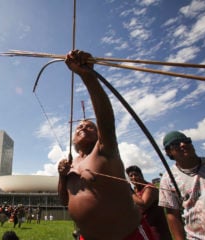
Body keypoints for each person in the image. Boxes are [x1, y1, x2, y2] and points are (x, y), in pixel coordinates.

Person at [57, 50, 155, 240]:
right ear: (73, 139)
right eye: (79, 126)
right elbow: (64, 200)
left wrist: (87, 76)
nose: (84, 126)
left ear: (99, 134)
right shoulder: (72, 163)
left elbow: (106, 119)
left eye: (90, 126)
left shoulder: (104, 149)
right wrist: (62, 177)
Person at [159, 131, 205, 240]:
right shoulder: (168, 179)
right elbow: (173, 215)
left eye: (186, 141)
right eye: (176, 144)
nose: (183, 144)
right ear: (169, 152)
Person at [126, 165, 172, 240]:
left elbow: (143, 205)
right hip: (145, 229)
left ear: (141, 175)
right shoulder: (136, 191)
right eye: (131, 176)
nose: (133, 177)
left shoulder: (149, 188)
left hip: (157, 230)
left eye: (136, 174)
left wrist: (129, 191)